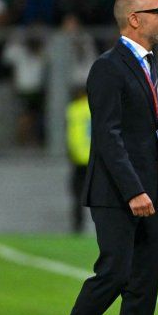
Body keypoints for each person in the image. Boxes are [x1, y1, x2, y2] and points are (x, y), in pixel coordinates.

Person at [43, 0, 158, 315]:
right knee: (115, 273)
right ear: (134, 19)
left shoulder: (147, 66)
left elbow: (149, 137)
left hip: (145, 194)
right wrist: (135, 190)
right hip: (115, 193)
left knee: (144, 285)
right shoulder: (108, 67)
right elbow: (108, 136)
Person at [66, 87, 91, 233]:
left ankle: (78, 226)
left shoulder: (74, 109)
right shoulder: (98, 107)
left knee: (77, 195)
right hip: (97, 159)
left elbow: (71, 135)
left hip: (79, 159)